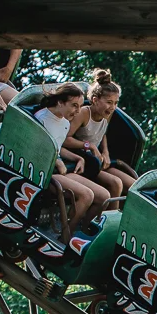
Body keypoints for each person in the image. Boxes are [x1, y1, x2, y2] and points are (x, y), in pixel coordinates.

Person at [30, 82, 103, 232]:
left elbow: (58, 147)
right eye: (74, 105)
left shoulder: (64, 123)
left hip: (59, 170)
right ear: (60, 102)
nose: (77, 111)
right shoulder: (41, 119)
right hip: (45, 172)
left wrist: (78, 158)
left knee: (103, 196)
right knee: (87, 196)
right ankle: (65, 235)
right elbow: (37, 150)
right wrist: (56, 161)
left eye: (80, 106)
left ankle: (80, 231)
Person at [69, 69, 135, 204]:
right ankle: (109, 220)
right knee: (116, 183)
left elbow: (102, 132)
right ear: (95, 100)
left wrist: (105, 151)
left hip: (98, 159)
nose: (113, 107)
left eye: (116, 103)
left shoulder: (107, 114)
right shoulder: (84, 113)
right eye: (109, 102)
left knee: (134, 186)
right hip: (83, 160)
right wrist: (90, 146)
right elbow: (65, 139)